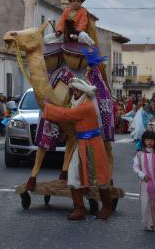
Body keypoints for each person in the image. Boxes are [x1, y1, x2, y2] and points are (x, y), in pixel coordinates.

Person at [42, 78, 112, 220]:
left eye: (77, 90)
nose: (74, 93)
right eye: (74, 90)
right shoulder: (80, 104)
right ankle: (79, 208)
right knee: (74, 174)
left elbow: (65, 114)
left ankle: (107, 207)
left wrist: (46, 108)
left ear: (84, 92)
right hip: (81, 144)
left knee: (100, 177)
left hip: (93, 145)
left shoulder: (86, 107)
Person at [133, 130, 155, 231]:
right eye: (147, 140)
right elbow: (135, 167)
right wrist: (142, 175)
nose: (149, 142)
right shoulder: (139, 154)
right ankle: (149, 224)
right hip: (145, 183)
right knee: (146, 203)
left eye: (152, 140)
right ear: (143, 141)